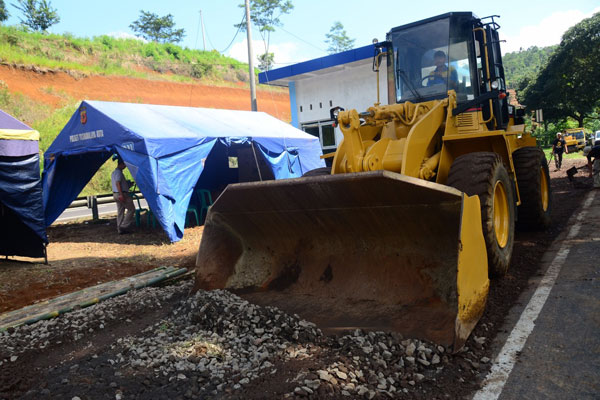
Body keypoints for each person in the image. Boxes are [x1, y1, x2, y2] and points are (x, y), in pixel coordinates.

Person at [111, 156, 135, 234]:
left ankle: (119, 229)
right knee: (131, 209)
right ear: (121, 164)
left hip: (115, 193)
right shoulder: (118, 173)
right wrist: (121, 194)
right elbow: (117, 183)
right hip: (121, 194)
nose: (125, 166)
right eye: (124, 165)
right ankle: (124, 226)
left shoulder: (114, 172)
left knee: (120, 211)